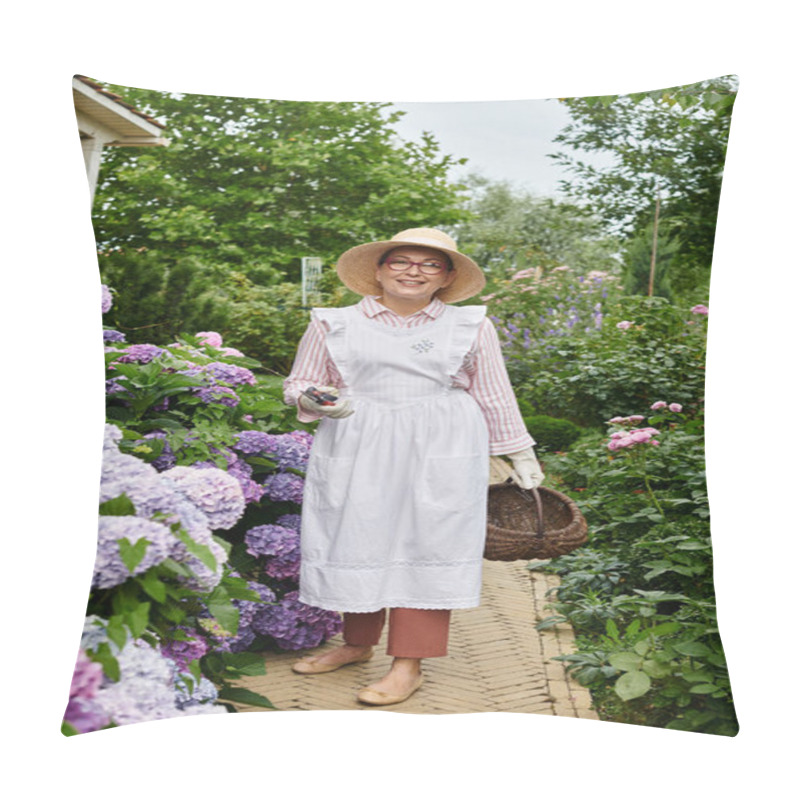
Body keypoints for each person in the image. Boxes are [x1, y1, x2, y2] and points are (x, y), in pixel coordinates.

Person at [282, 228, 544, 706]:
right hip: (358, 437)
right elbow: (302, 379)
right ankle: (357, 645)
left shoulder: (470, 326)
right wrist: (316, 399)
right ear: (379, 270)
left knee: (429, 541)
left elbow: (493, 392)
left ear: (446, 278)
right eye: (401, 261)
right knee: (357, 535)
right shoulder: (332, 323)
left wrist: (519, 453)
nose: (413, 271)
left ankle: (409, 664)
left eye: (429, 265)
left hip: (441, 440)